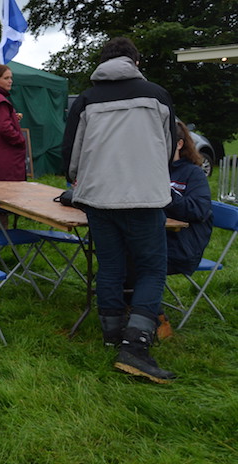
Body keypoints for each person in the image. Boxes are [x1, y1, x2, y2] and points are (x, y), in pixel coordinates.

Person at [63, 36, 176, 383]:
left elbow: (71, 153)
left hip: (98, 197)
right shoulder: (157, 95)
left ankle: (112, 335)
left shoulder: (87, 99)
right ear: (135, 62)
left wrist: (77, 180)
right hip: (144, 197)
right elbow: (168, 147)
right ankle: (136, 347)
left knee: (110, 266)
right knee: (151, 269)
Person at [164, 121, 213, 275]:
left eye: (165, 141)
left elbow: (198, 210)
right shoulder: (157, 171)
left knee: (133, 262)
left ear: (179, 144)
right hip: (155, 240)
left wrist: (164, 193)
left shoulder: (193, 173)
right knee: (116, 256)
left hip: (182, 248)